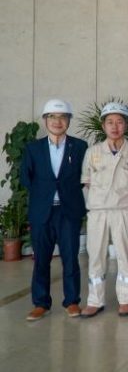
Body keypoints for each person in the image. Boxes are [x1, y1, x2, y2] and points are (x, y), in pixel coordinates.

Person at [21, 99, 88, 321]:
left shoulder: (80, 147)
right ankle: (41, 303)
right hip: (42, 212)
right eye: (52, 117)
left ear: (69, 120)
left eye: (62, 117)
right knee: (41, 259)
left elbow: (83, 177)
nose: (57, 121)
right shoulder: (33, 148)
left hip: (68, 211)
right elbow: (26, 178)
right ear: (45, 120)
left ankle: (72, 301)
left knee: (70, 258)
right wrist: (45, 194)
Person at [81, 102, 128, 317]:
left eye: (119, 122)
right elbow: (86, 182)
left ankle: (126, 299)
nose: (115, 126)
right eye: (110, 122)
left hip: (125, 211)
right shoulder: (93, 152)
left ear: (126, 125)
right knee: (96, 256)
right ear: (103, 126)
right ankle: (94, 300)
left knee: (126, 255)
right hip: (98, 212)